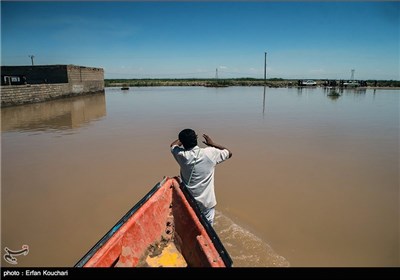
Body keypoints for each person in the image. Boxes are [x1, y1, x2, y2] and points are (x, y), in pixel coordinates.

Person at [170, 128, 232, 226]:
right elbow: (228, 152)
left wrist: (181, 139)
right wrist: (212, 144)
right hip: (207, 203)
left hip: (189, 201)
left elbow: (173, 145)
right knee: (207, 228)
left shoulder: (181, 155)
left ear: (182, 142)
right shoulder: (210, 153)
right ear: (196, 138)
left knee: (191, 224)